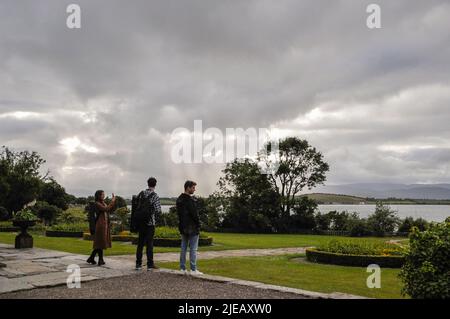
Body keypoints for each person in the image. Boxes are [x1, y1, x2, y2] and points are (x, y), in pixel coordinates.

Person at [135, 177, 162, 270]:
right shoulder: (155, 196)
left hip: (141, 222)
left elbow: (136, 206)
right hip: (150, 222)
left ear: (148, 183)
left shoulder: (141, 194)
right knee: (149, 244)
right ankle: (150, 264)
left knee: (140, 244)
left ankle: (138, 264)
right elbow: (158, 210)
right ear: (155, 184)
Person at [176, 180, 203, 275]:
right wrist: (199, 224)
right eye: (193, 187)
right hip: (192, 227)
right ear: (188, 187)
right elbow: (194, 215)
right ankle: (193, 269)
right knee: (193, 249)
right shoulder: (190, 200)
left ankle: (182, 268)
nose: (194, 190)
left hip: (183, 226)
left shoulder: (179, 199)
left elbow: (180, 215)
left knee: (183, 248)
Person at [87, 190, 116, 266]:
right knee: (100, 243)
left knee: (100, 243)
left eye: (104, 194)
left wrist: (112, 203)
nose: (103, 196)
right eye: (102, 194)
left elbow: (109, 210)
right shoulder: (97, 204)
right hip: (100, 225)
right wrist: (112, 201)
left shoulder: (103, 203)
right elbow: (106, 209)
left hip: (104, 225)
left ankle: (94, 258)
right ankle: (98, 259)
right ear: (98, 196)